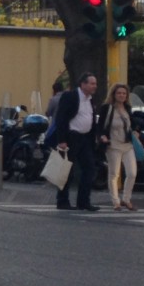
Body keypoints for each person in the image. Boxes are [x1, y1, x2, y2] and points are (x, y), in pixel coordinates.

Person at [49, 71, 100, 211]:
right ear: (83, 84)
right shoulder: (70, 96)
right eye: (92, 83)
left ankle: (83, 201)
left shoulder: (91, 99)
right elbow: (61, 118)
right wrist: (62, 139)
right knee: (66, 170)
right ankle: (62, 200)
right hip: (71, 137)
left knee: (89, 168)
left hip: (85, 138)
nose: (94, 86)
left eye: (95, 83)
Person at [97, 83, 138, 211]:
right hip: (113, 145)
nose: (121, 95)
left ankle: (126, 198)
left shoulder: (127, 108)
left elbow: (132, 124)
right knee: (114, 173)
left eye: (124, 93)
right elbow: (100, 126)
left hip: (127, 145)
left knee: (132, 173)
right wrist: (102, 136)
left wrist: (136, 131)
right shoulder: (107, 108)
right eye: (119, 93)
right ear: (114, 94)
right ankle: (116, 201)